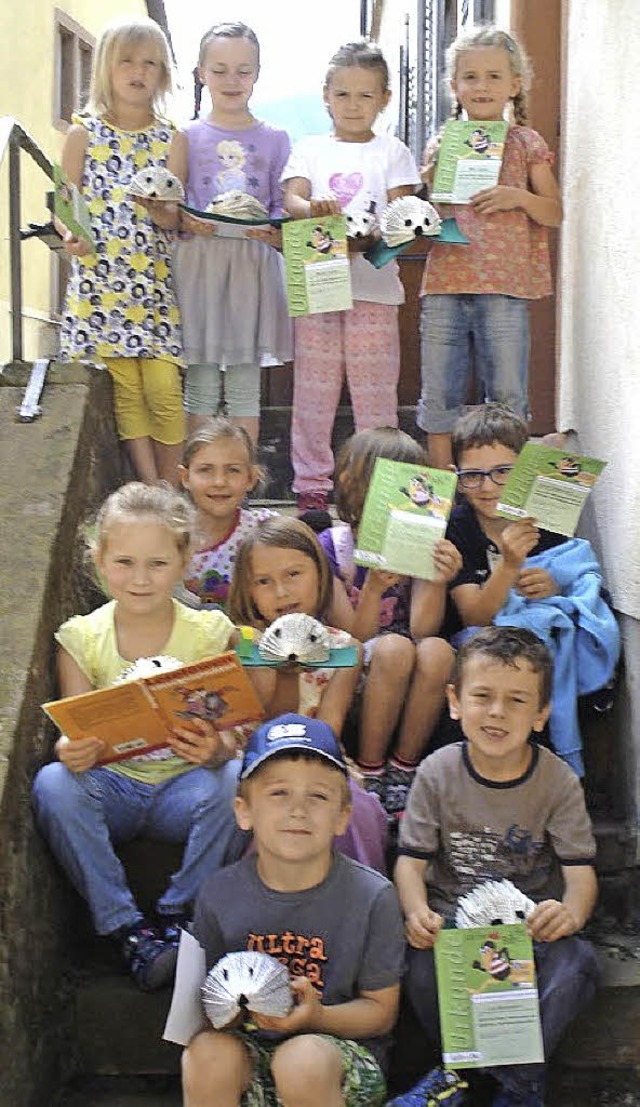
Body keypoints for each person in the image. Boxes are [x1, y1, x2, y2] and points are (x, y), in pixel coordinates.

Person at [32, 484, 245, 991]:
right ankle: (125, 927)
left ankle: (180, 916)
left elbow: (236, 727)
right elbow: (76, 728)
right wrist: (71, 751)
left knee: (236, 778)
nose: (140, 578)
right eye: (124, 562)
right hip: (115, 788)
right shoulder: (81, 638)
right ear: (100, 560)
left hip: (184, 788)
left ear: (183, 561)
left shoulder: (209, 633)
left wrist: (219, 748)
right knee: (53, 784)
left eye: (156, 563)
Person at [394, 626, 601, 1107]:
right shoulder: (437, 772)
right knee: (419, 969)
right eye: (482, 696)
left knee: (579, 967)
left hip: (528, 932)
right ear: (455, 701)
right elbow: (410, 863)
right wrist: (415, 911)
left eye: (516, 700)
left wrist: (570, 913)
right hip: (453, 929)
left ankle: (492, 1083)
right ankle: (493, 1077)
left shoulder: (557, 780)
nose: (496, 712)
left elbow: (581, 875)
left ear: (541, 714)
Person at [182, 713, 405, 1107]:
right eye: (278, 793)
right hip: (250, 1051)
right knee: (205, 1054)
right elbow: (202, 1004)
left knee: (300, 1061)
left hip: (338, 1057)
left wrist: (317, 1017)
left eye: (318, 796)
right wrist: (228, 1011)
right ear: (244, 811)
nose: (298, 810)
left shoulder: (374, 896)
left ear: (342, 816)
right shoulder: (217, 894)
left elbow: (381, 1013)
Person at [282, 40, 421, 513]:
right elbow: (292, 202)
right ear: (326, 95)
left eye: (365, 96)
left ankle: (378, 487)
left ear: (384, 98)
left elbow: (404, 209)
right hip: (318, 283)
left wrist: (382, 229)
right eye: (343, 95)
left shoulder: (393, 151)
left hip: (374, 290)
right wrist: (312, 210)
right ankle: (312, 487)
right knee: (314, 392)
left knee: (375, 395)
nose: (353, 105)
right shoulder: (310, 149)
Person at [447, 403, 620, 775]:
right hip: (483, 644)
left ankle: (549, 767)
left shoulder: (544, 519)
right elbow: (474, 616)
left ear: (526, 472)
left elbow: (577, 575)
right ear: (457, 478)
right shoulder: (459, 526)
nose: (488, 486)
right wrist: (509, 566)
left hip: (539, 648)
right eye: (473, 476)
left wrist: (554, 584)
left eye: (503, 472)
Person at [417, 26, 562, 469]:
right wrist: (431, 183)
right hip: (446, 281)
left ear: (514, 85)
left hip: (504, 286)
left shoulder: (526, 143)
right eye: (471, 77)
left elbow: (554, 211)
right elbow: (432, 214)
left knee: (507, 394)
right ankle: (442, 493)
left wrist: (516, 197)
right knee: (439, 390)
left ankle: (503, 485)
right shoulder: (444, 142)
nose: (482, 86)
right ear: (454, 86)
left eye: (494, 77)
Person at [57, 16, 186, 485]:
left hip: (149, 286)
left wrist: (162, 212)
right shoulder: (83, 132)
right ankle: (153, 488)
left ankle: (173, 487)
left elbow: (174, 217)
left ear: (163, 73)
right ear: (107, 69)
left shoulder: (173, 137)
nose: (139, 71)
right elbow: (63, 199)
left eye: (151, 63)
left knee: (164, 387)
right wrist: (70, 234)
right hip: (100, 286)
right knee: (126, 391)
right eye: (127, 61)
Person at [228, 515, 388, 873]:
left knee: (357, 809)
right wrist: (274, 662)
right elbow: (247, 719)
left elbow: (327, 728)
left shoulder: (345, 649)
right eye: (264, 582)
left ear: (319, 574)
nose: (281, 592)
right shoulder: (243, 643)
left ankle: (364, 900)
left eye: (293, 575)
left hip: (318, 759)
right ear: (249, 591)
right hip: (250, 763)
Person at [319, 428, 461, 819]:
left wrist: (436, 575)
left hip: (409, 665)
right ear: (353, 484)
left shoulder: (424, 541)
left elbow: (423, 629)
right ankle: (371, 767)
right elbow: (352, 637)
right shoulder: (333, 546)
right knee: (394, 648)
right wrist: (375, 588)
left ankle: (404, 769)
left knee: (437, 650)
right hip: (354, 669)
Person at [172, 22, 292, 445]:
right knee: (201, 377)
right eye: (220, 69)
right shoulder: (185, 135)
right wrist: (186, 221)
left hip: (251, 266)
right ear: (201, 72)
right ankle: (198, 481)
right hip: (200, 264)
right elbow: (172, 201)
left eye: (243, 70)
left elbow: (283, 202)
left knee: (244, 381)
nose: (231, 80)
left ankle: (242, 480)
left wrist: (273, 230)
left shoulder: (276, 138)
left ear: (257, 73)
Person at [179, 417, 276, 611]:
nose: (219, 482)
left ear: (251, 478)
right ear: (185, 477)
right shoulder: (169, 537)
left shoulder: (265, 530)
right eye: (205, 470)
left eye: (232, 470)